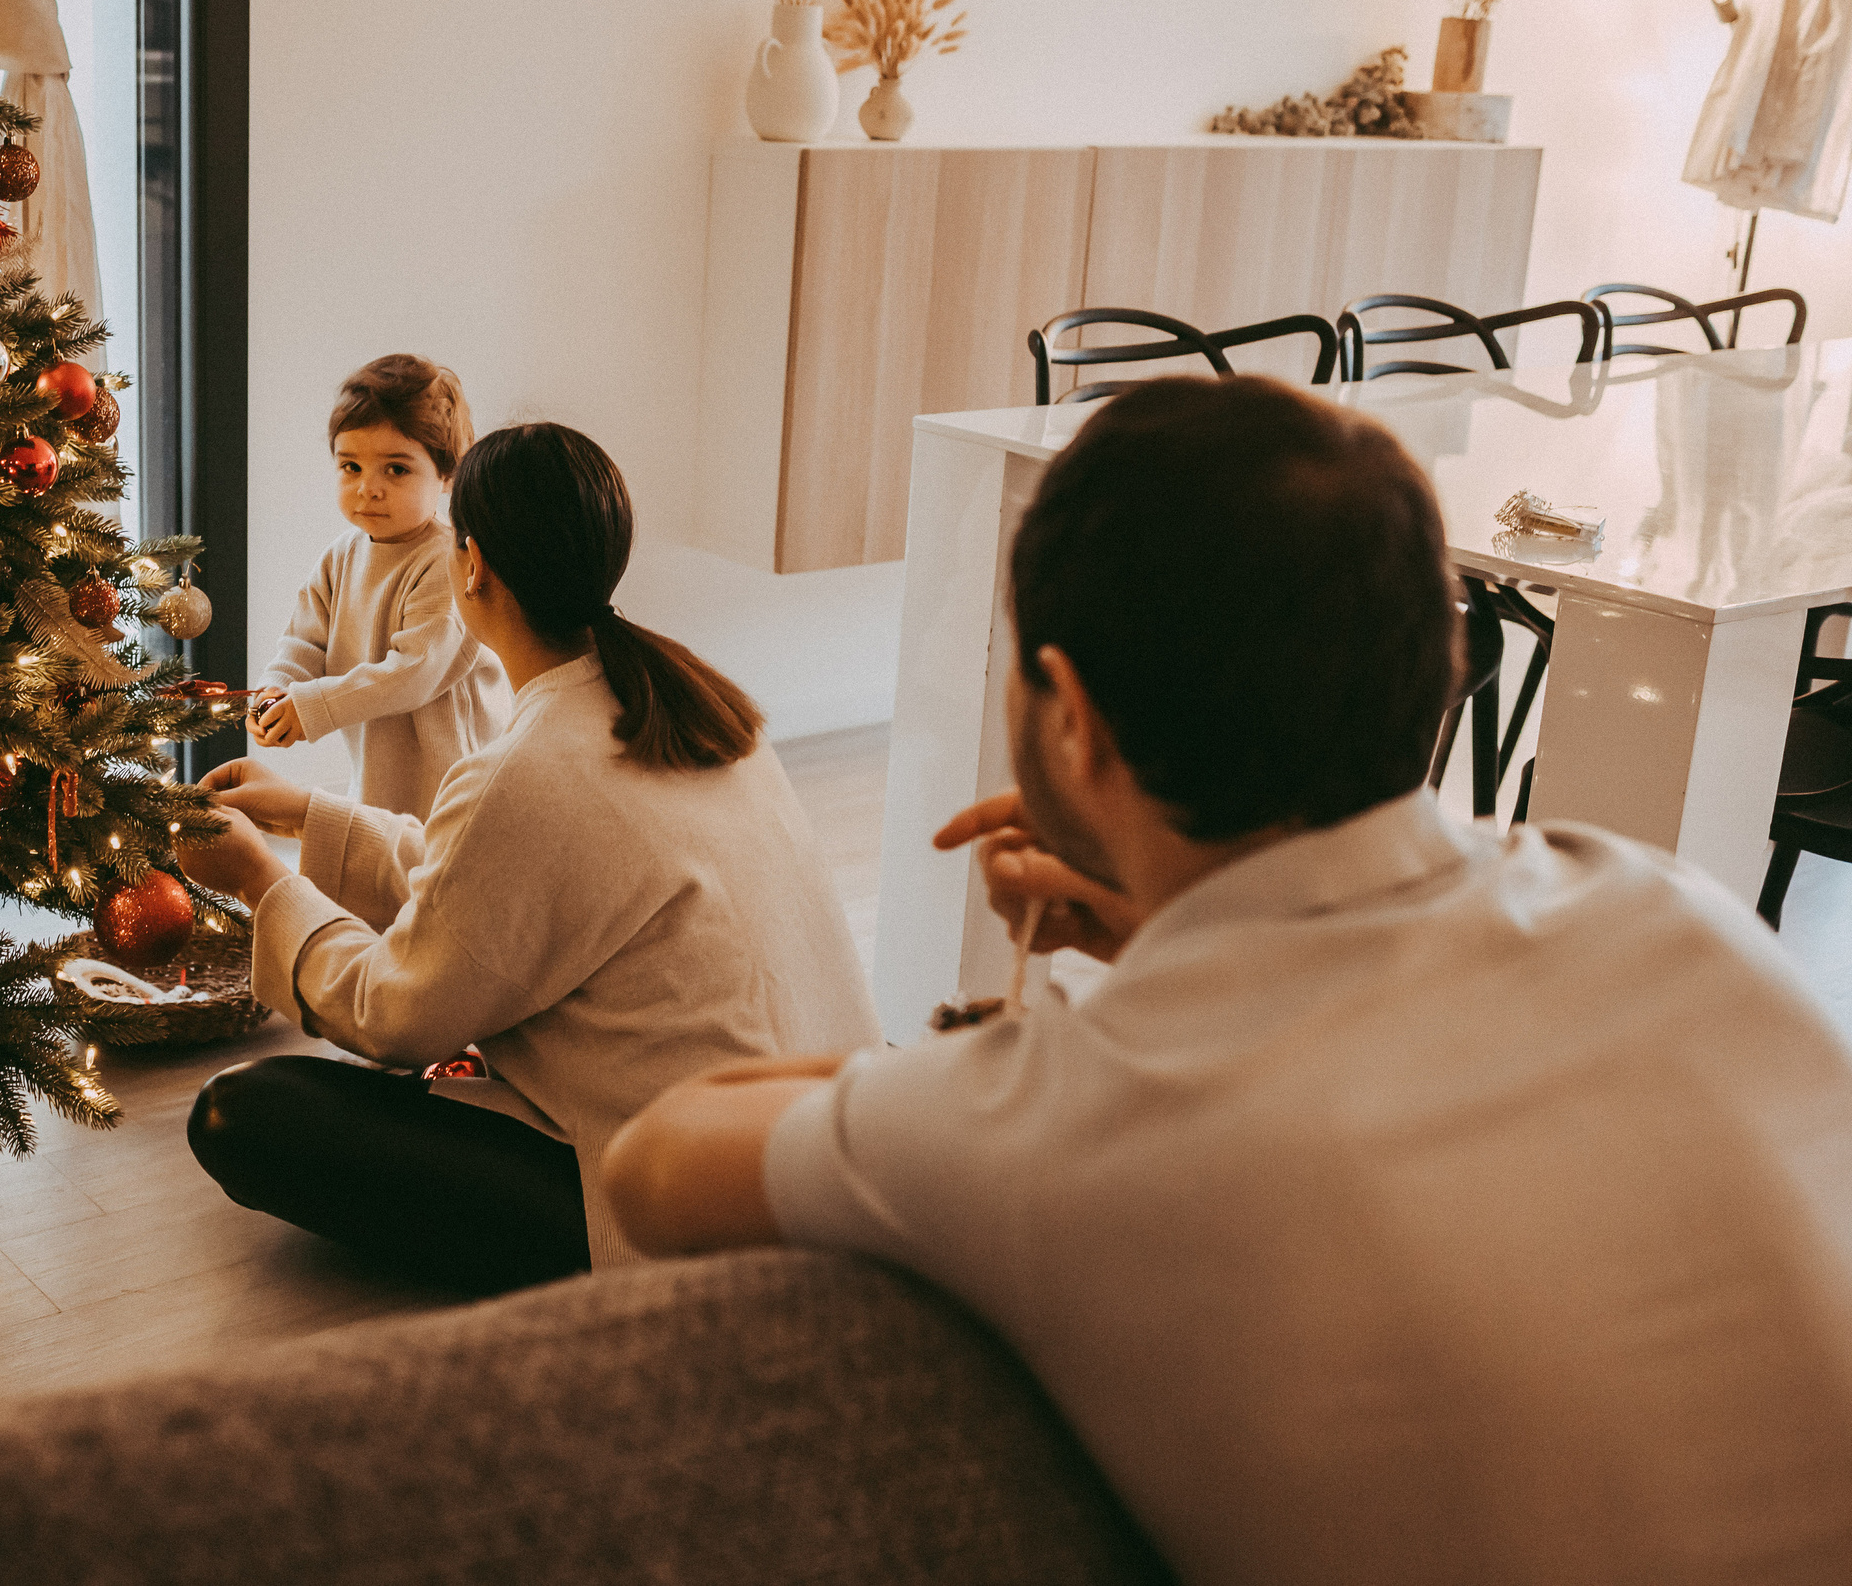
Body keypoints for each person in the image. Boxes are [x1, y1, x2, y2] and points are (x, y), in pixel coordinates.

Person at [602, 376, 1852, 1586]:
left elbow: (656, 1160)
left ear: (1070, 717)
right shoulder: (1672, 909)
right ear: (1436, 663)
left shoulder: (1086, 1113)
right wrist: (1165, 927)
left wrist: (1007, 1055)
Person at [177, 422, 880, 1292]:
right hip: (818, 1135)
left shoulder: (530, 765)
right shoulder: (687, 697)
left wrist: (260, 878)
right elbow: (492, 876)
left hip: (692, 1197)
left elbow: (392, 1016)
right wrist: (307, 813)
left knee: (240, 1113)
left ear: (471, 566)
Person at [249, 354, 508, 821]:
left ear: (447, 475)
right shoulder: (340, 557)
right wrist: (277, 689)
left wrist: (312, 707)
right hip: (380, 775)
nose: (368, 488)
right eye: (351, 467)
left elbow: (414, 671)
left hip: (455, 780)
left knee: (428, 860)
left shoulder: (448, 560)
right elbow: (304, 643)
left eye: (396, 469)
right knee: (377, 844)